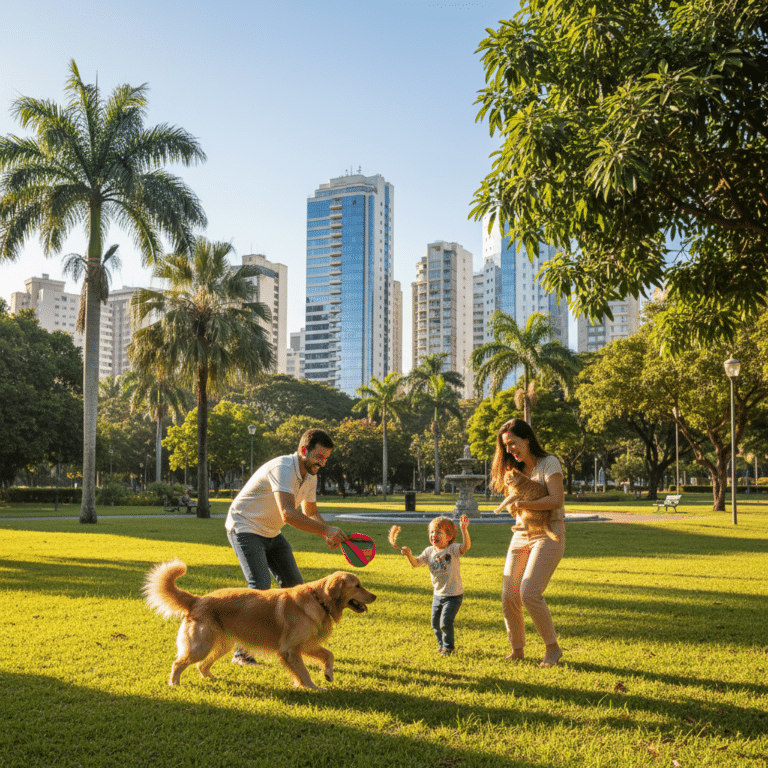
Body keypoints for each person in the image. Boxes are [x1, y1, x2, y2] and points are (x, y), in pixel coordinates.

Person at [225, 427, 348, 665]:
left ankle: (296, 643)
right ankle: (241, 653)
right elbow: (288, 514)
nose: (322, 463)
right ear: (304, 450)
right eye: (318, 457)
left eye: (325, 458)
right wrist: (326, 529)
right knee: (260, 586)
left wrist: (326, 535)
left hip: (271, 531)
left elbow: (310, 512)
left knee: (297, 588)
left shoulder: (311, 475)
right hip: (244, 525)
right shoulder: (283, 468)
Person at [491, 418, 566, 668]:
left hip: (549, 532)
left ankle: (552, 649)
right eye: (506, 446)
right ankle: (517, 648)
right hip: (522, 533)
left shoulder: (549, 463)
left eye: (513, 443)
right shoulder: (517, 470)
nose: (510, 449)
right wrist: (517, 509)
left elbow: (556, 499)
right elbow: (518, 505)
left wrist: (523, 505)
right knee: (509, 594)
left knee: (529, 593)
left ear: (527, 439)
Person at [400, 515, 471, 656]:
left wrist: (464, 530)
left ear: (449, 537)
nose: (434, 535)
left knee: (445, 622)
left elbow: (465, 547)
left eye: (438, 532)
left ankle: (449, 648)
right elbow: (416, 563)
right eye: (432, 532)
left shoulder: (453, 549)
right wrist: (409, 555)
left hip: (453, 595)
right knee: (435, 624)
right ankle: (442, 646)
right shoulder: (429, 551)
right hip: (438, 594)